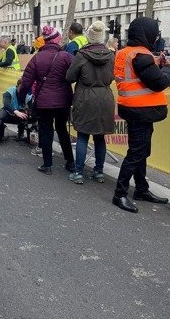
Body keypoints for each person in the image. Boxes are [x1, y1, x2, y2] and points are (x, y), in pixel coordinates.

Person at [112, 17, 170, 213]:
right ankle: (119, 194)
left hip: (133, 109)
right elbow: (159, 83)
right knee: (136, 153)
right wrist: (168, 68)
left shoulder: (126, 53)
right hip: (141, 111)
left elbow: (140, 77)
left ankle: (141, 190)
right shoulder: (141, 55)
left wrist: (159, 67)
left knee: (141, 152)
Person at [18, 26, 75, 175]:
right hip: (63, 100)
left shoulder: (36, 57)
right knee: (62, 130)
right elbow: (76, 74)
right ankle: (70, 162)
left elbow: (26, 82)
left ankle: (47, 164)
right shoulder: (66, 56)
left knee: (46, 131)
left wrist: (20, 99)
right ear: (57, 40)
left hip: (44, 101)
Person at [65, 21, 115, 184]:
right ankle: (99, 171)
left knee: (82, 134)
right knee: (100, 136)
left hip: (86, 97)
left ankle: (78, 171)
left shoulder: (81, 55)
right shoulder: (110, 55)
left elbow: (69, 77)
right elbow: (112, 76)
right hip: (105, 97)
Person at [0, 77, 29, 141]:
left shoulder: (26, 95)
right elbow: (6, 103)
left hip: (17, 115)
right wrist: (16, 111)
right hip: (7, 112)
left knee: (25, 115)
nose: (22, 90)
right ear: (17, 86)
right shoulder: (10, 91)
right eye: (21, 88)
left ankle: (21, 134)